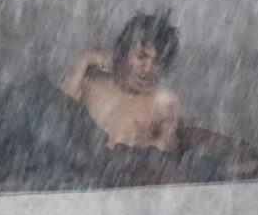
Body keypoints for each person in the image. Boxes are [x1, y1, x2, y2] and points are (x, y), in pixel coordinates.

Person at [58, 11, 182, 152]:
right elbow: (58, 110)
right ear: (122, 52)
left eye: (158, 62)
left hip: (122, 167)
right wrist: (85, 59)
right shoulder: (91, 84)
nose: (147, 69)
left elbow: (166, 149)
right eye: (141, 56)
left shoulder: (163, 101)